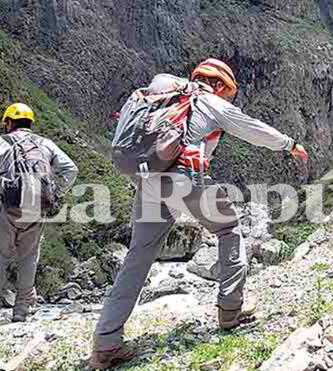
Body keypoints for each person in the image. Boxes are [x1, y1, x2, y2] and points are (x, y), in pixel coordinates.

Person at [89, 59, 309, 369]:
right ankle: (230, 309)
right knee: (228, 228)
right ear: (219, 86)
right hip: (180, 180)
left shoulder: (160, 92)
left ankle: (106, 343)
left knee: (138, 256)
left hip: (145, 179)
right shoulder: (210, 101)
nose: (227, 98)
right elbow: (252, 129)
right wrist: (290, 144)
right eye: (228, 93)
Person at [0, 103, 78, 327]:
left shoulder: (0, 142)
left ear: (8, 123)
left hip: (4, 207)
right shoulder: (45, 144)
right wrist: (56, 193)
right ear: (31, 123)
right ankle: (23, 312)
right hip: (36, 210)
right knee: (29, 258)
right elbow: (71, 169)